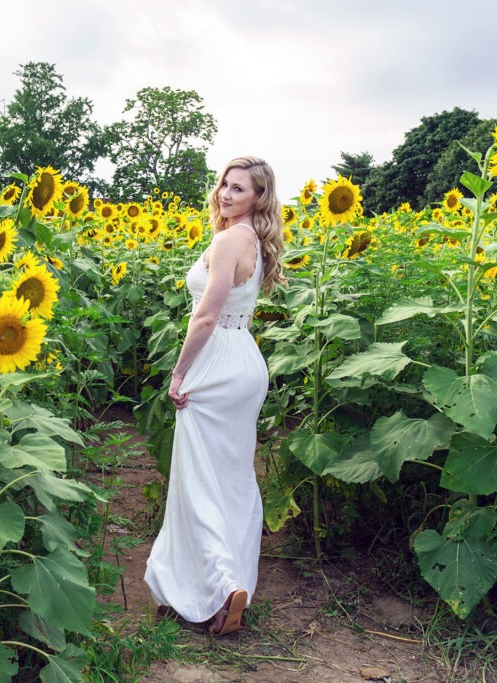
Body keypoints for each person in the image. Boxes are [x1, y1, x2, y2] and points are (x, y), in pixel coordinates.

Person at [144, 156, 287, 636]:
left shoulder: (228, 240)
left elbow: (204, 317)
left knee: (198, 481)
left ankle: (220, 587)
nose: (226, 194)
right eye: (224, 184)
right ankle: (233, 584)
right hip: (244, 359)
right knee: (234, 478)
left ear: (258, 198)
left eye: (239, 189)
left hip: (215, 363)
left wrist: (179, 373)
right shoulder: (255, 241)